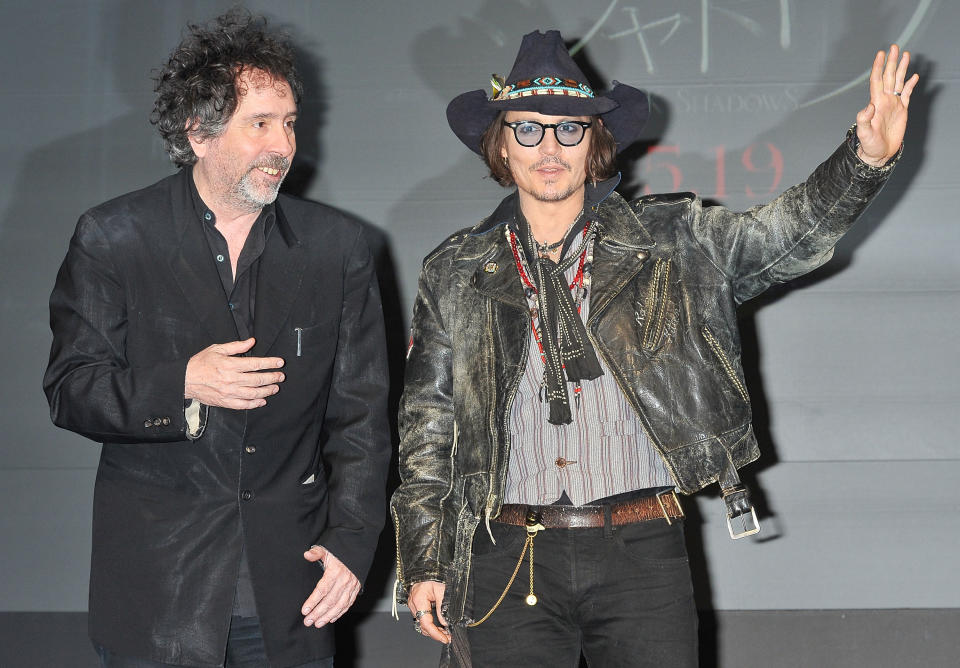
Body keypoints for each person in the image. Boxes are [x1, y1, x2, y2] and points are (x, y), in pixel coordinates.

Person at [390, 30, 917, 667]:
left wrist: (864, 160)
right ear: (502, 143)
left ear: (596, 144)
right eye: (528, 130)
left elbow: (785, 236)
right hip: (504, 554)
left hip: (641, 547)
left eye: (570, 129)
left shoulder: (673, 238)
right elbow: (427, 429)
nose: (549, 148)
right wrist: (423, 557)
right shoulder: (455, 269)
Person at [43, 10, 390, 668]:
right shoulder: (114, 237)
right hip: (160, 589)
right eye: (259, 124)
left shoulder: (336, 249)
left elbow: (362, 418)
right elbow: (71, 390)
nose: (282, 145)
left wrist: (352, 542)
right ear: (198, 132)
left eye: (288, 124)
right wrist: (182, 384)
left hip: (292, 583)